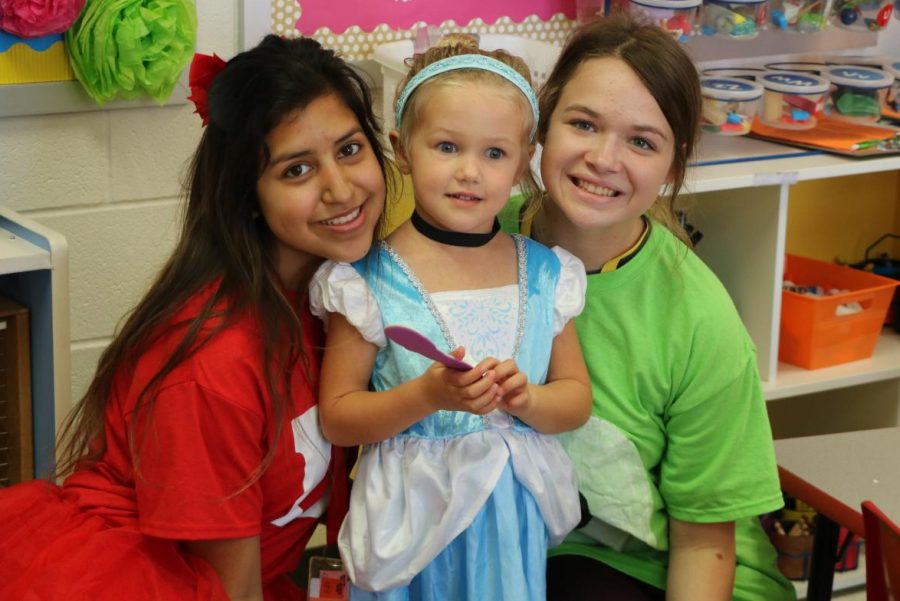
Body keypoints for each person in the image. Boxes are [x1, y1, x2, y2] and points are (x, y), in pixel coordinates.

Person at [0, 35, 389, 601]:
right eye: (297, 170)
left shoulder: (337, 297)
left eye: (350, 150)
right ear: (248, 195)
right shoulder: (215, 362)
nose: (341, 188)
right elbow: (229, 589)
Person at [499, 15, 796, 601]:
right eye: (583, 124)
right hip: (522, 546)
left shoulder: (698, 317)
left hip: (664, 568)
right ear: (543, 124)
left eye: (641, 141)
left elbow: (704, 546)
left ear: (673, 163)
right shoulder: (480, 240)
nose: (604, 159)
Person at [309, 36, 593, 601]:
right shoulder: (366, 282)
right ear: (402, 150)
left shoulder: (545, 275)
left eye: (494, 153)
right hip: (412, 521)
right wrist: (428, 396)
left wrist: (527, 401)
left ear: (522, 161)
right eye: (446, 146)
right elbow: (339, 417)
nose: (470, 172)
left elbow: (576, 399)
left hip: (510, 521)